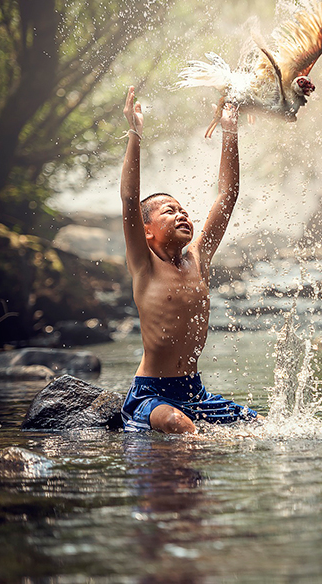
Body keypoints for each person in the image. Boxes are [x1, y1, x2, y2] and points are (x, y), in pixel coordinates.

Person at [119, 85, 259, 434]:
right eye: (170, 211)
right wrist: (135, 134)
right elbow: (128, 198)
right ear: (146, 229)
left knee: (257, 425)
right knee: (174, 422)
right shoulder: (144, 266)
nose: (183, 215)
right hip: (152, 394)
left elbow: (228, 195)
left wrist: (230, 128)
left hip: (194, 391)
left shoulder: (199, 258)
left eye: (184, 211)